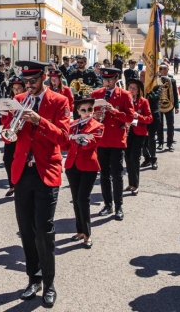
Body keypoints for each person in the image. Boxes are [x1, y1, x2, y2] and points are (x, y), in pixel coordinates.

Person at [9, 61, 69, 307]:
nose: (29, 86)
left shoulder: (59, 101)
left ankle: (49, 282)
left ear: (43, 77)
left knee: (44, 231)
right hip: (23, 172)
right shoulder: (20, 99)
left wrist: (39, 121)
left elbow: (64, 139)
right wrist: (12, 125)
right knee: (26, 230)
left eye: (33, 81)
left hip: (46, 171)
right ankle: (33, 279)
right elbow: (10, 132)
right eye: (26, 82)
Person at [91, 67, 135, 220]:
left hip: (117, 140)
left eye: (110, 79)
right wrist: (94, 115)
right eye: (105, 79)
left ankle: (118, 206)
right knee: (104, 175)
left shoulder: (124, 95)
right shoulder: (96, 94)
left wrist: (113, 111)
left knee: (117, 175)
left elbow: (130, 118)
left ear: (116, 78)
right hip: (102, 140)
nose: (107, 82)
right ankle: (107, 205)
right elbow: (87, 115)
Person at [64, 97, 102, 248]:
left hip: (88, 167)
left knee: (83, 200)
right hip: (72, 166)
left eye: (90, 110)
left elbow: (92, 142)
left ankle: (87, 234)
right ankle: (79, 231)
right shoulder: (72, 125)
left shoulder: (97, 125)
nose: (87, 113)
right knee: (75, 200)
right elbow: (66, 145)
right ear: (78, 111)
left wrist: (80, 140)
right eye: (83, 110)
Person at [125, 79, 154, 195]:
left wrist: (139, 116)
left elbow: (150, 119)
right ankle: (130, 183)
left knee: (134, 158)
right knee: (127, 158)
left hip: (139, 133)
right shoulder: (125, 100)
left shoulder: (144, 101)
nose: (131, 90)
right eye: (130, 87)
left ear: (138, 91)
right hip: (127, 132)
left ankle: (135, 185)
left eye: (134, 88)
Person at [0, 76, 26, 197]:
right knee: (7, 159)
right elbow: (4, 122)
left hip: (23, 135)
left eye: (19, 88)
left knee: (22, 160)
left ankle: (20, 185)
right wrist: (5, 114)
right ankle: (12, 185)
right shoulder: (10, 100)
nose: (16, 91)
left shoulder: (27, 100)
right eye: (14, 88)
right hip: (10, 134)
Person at [157, 63, 179, 152]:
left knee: (170, 125)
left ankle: (170, 143)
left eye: (165, 68)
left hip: (169, 105)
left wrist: (176, 106)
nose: (164, 70)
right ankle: (160, 142)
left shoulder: (172, 80)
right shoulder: (156, 80)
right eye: (162, 68)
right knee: (159, 125)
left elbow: (175, 94)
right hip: (159, 105)